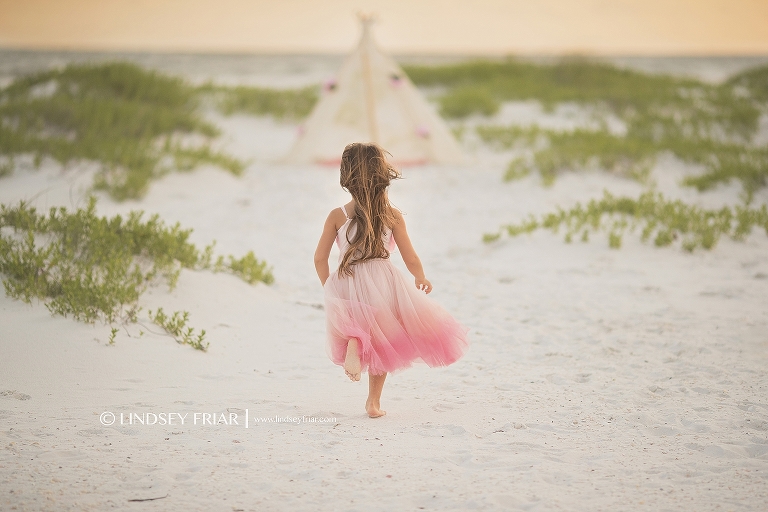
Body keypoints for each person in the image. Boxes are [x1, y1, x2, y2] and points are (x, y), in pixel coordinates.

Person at [313, 142, 469, 418]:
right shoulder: (391, 215)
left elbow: (319, 258)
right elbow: (410, 257)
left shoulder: (337, 216)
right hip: (384, 282)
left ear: (346, 177)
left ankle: (355, 341)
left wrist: (329, 286)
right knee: (383, 339)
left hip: (347, 280)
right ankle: (373, 402)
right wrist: (420, 276)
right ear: (383, 176)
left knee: (357, 324)